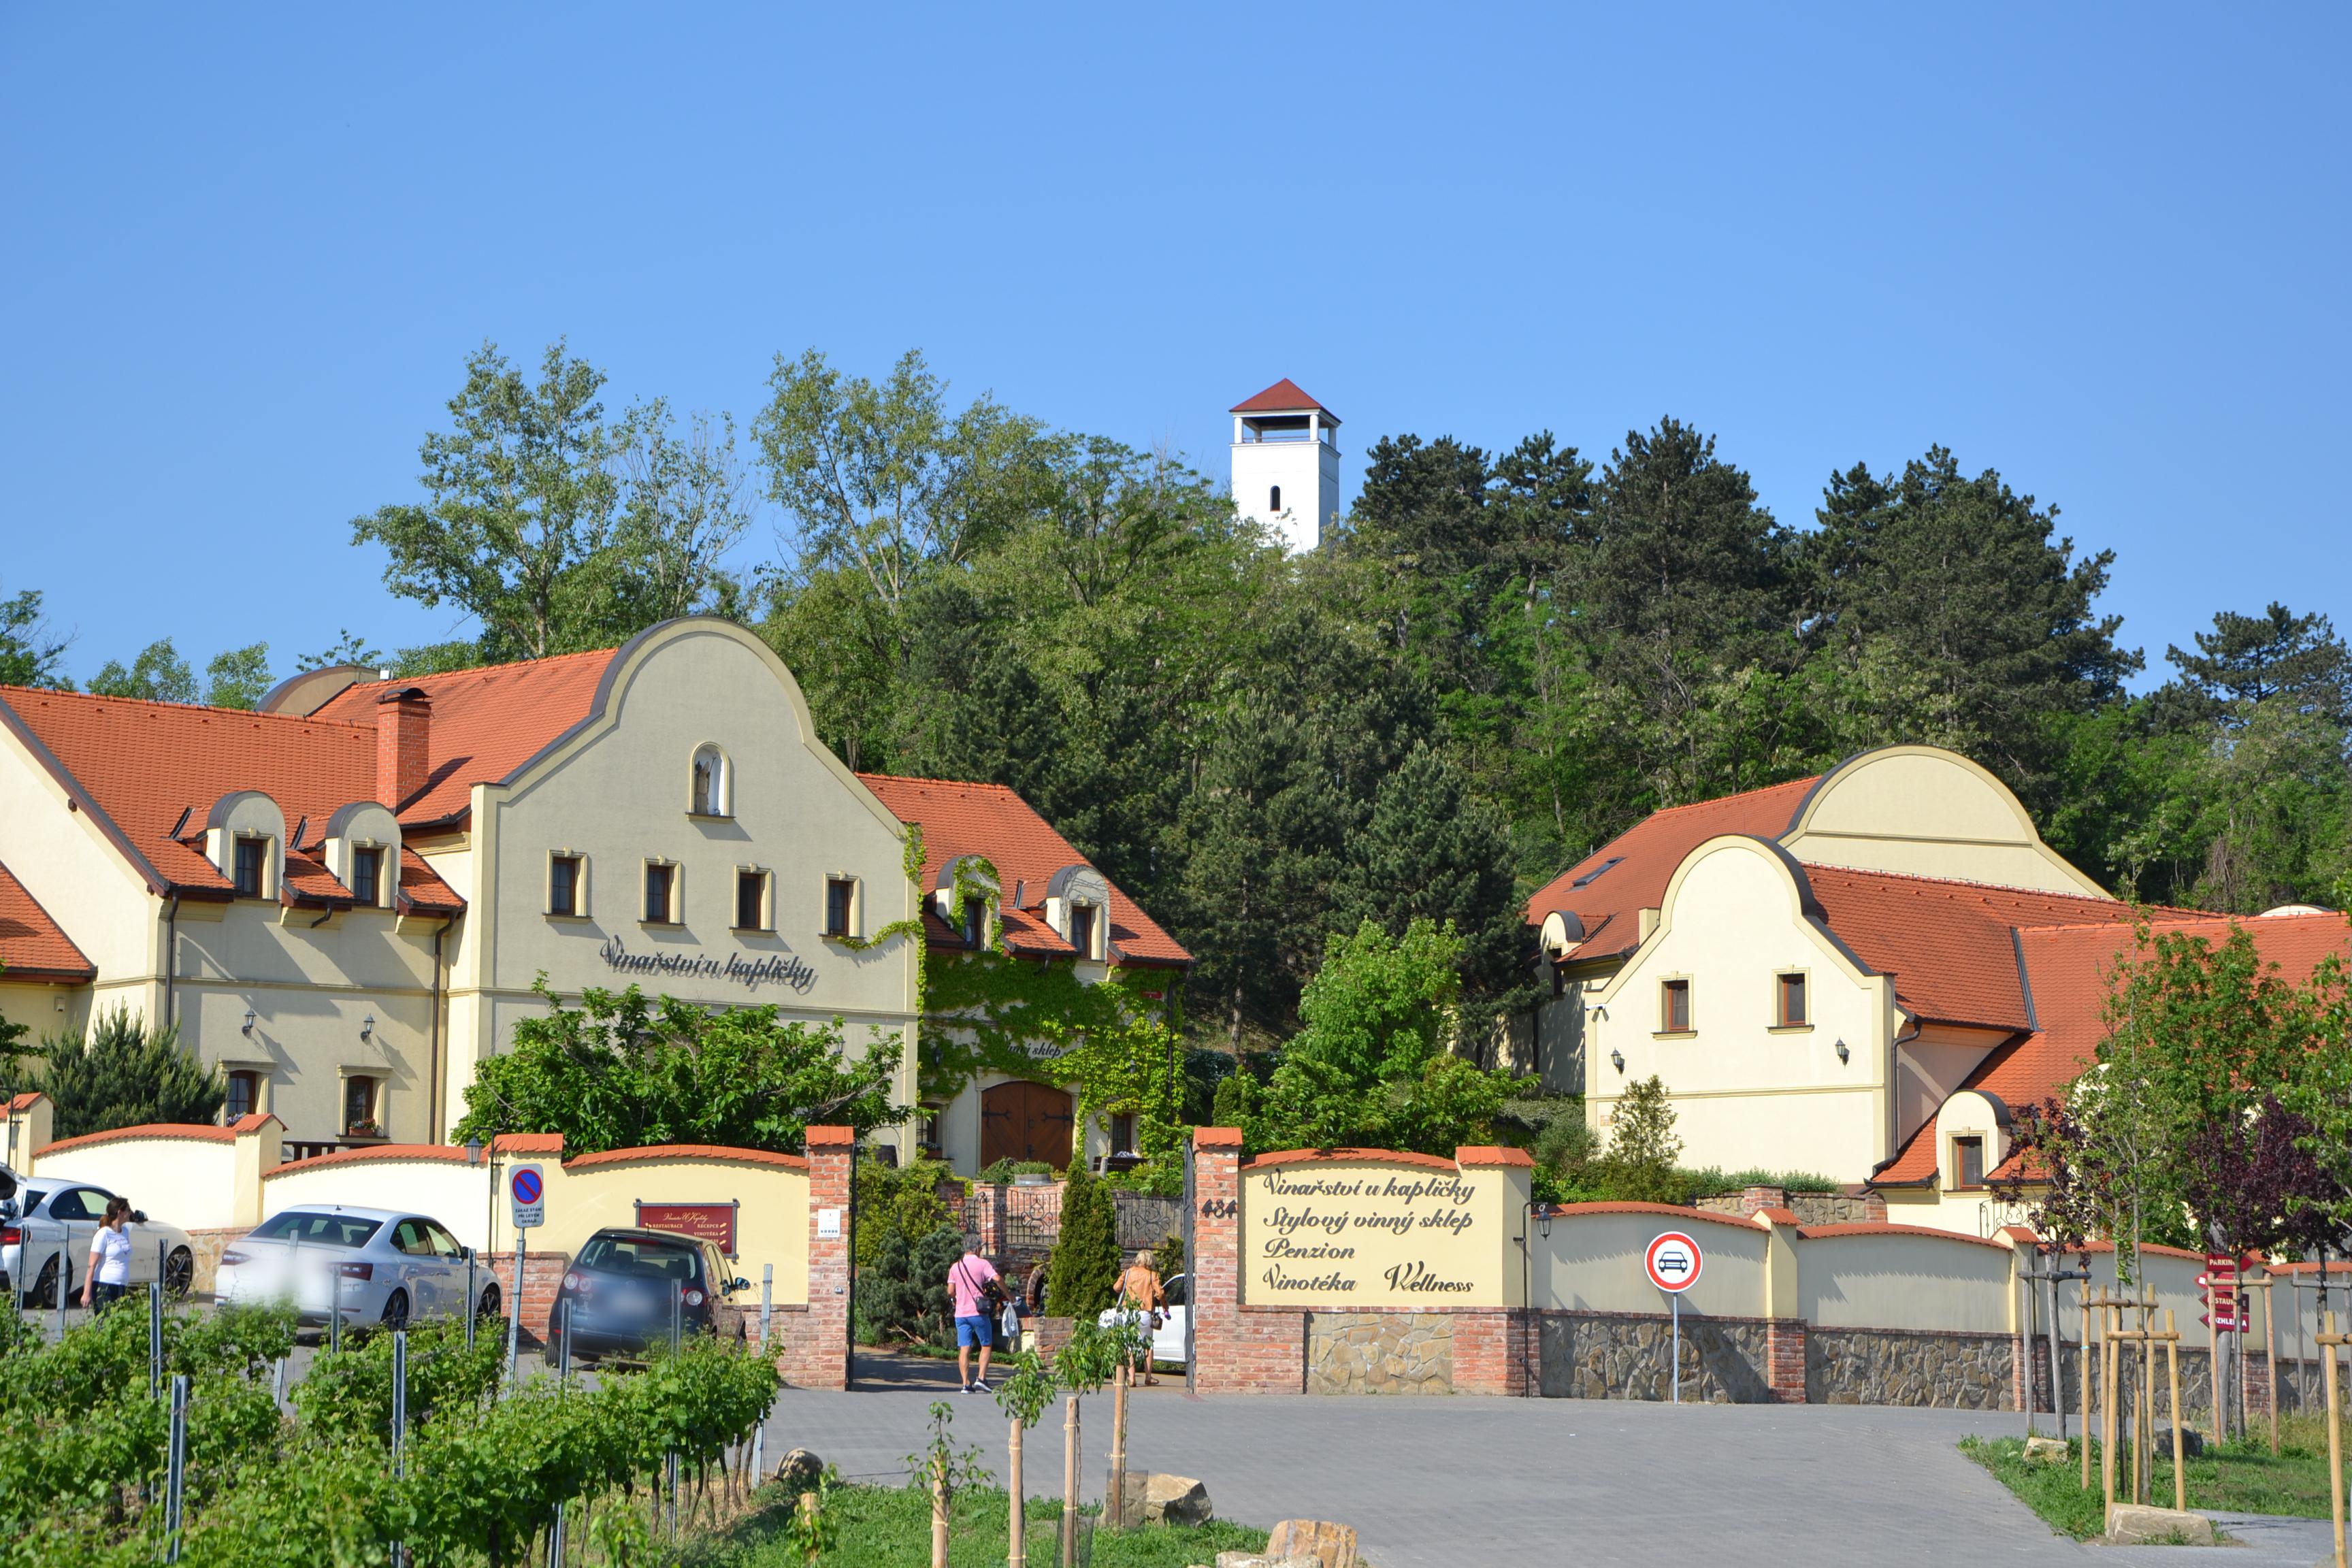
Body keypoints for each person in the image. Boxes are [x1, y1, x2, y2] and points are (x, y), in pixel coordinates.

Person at [947, 1234, 1000, 1393]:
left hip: (961, 1314)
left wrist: (956, 1299)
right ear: (977, 1248)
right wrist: (1009, 1295)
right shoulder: (983, 1264)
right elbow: (997, 1278)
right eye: (981, 1248)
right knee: (986, 1344)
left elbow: (950, 1291)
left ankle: (966, 1384)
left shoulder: (955, 1267)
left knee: (964, 1347)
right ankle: (981, 1378)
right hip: (978, 1313)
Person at [1115, 1248, 1164, 1385]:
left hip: (1128, 1312)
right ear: (1150, 1261)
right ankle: (1148, 1377)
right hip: (1144, 1313)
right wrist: (1164, 1306)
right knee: (1147, 1345)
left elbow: (1116, 1288)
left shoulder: (1128, 1273)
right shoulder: (1152, 1275)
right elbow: (1160, 1294)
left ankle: (1132, 1378)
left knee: (1129, 1345)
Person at [84, 1195, 135, 1311]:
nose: (130, 1213)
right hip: (105, 1285)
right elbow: (91, 1265)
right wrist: (86, 1293)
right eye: (128, 1210)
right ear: (120, 1213)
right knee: (106, 1319)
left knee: (120, 1320)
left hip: (122, 1285)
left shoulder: (125, 1232)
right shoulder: (104, 1234)